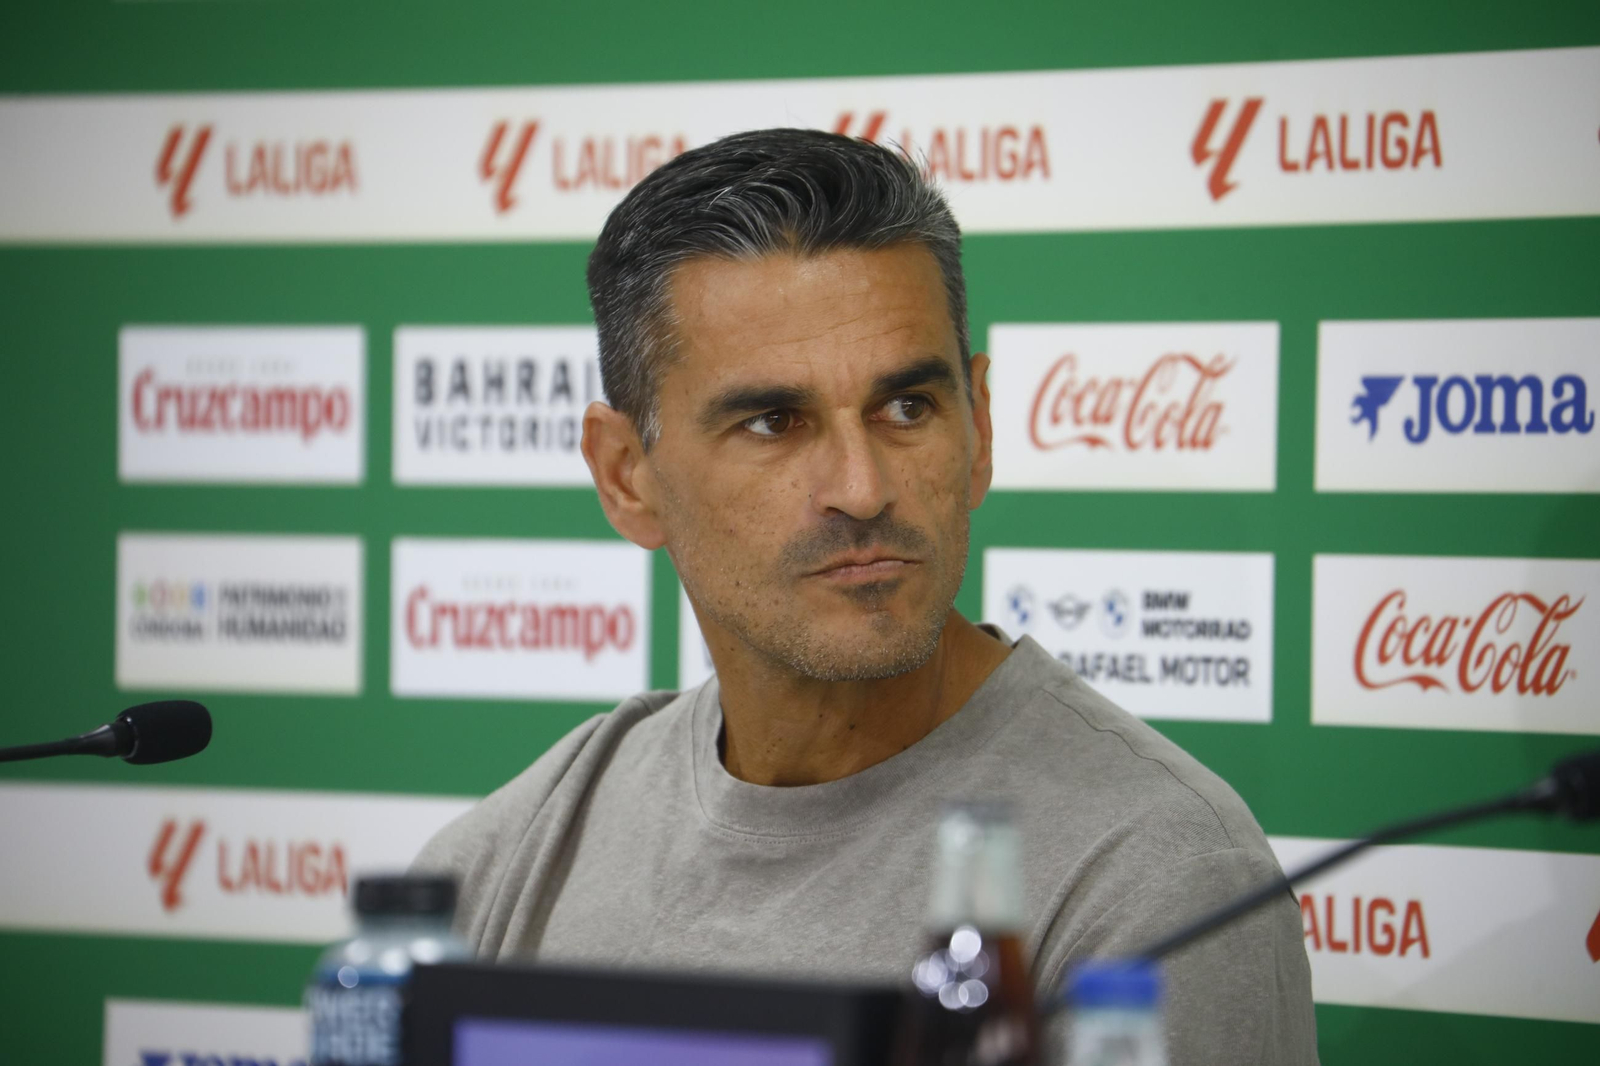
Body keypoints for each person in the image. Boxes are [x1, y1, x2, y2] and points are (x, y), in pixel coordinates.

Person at [413, 127, 1318, 1064]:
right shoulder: (508, 861)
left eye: (907, 408)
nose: (862, 485)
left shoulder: (1158, 882)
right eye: (775, 421)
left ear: (981, 431)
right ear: (627, 475)